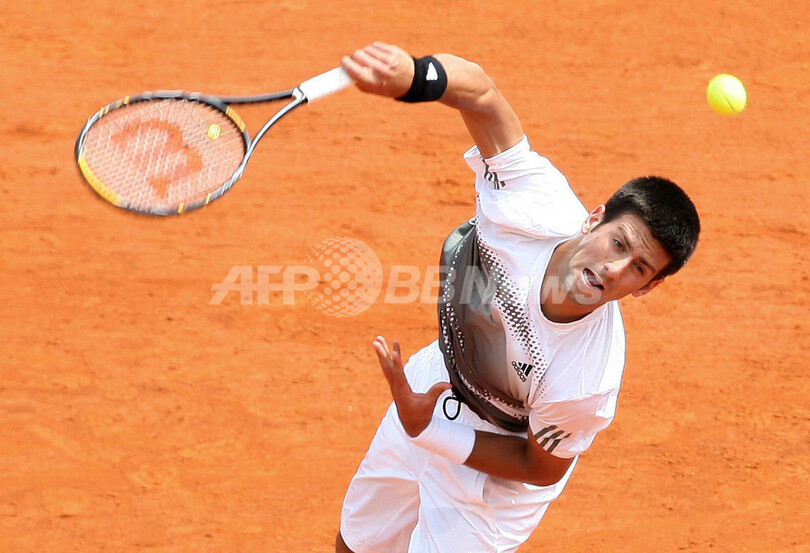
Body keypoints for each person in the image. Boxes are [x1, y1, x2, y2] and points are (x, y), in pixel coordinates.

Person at [335, 42, 700, 553]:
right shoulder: (534, 202)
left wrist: (431, 431)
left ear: (647, 287)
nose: (614, 269)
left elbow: (540, 466)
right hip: (436, 383)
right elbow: (480, 94)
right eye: (618, 243)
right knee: (355, 545)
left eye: (638, 268)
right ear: (593, 219)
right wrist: (415, 76)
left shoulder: (587, 380)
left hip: (493, 484)